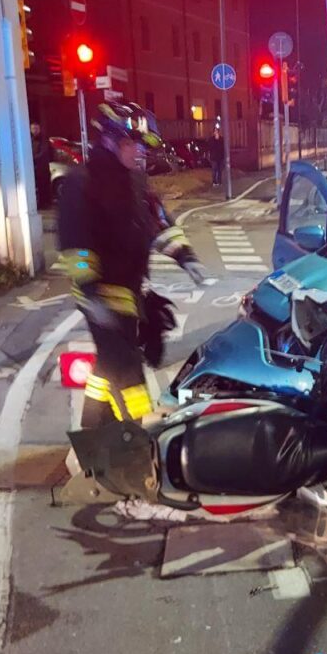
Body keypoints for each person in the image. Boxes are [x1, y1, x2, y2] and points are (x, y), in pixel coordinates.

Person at [58, 103, 209, 428]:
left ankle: (93, 426)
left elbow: (158, 224)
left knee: (110, 363)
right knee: (126, 368)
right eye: (133, 143)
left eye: (143, 144)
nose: (141, 151)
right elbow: (75, 245)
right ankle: (138, 429)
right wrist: (91, 294)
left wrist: (186, 257)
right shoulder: (80, 183)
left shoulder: (136, 182)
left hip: (129, 291)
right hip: (99, 294)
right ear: (110, 143)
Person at [30, 122, 53, 208]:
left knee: (43, 186)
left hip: (42, 167)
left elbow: (43, 152)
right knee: (39, 187)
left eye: (36, 128)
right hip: (35, 167)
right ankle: (42, 203)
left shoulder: (43, 139)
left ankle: (45, 204)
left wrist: (32, 158)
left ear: (39, 129)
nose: (34, 130)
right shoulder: (31, 139)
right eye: (32, 129)